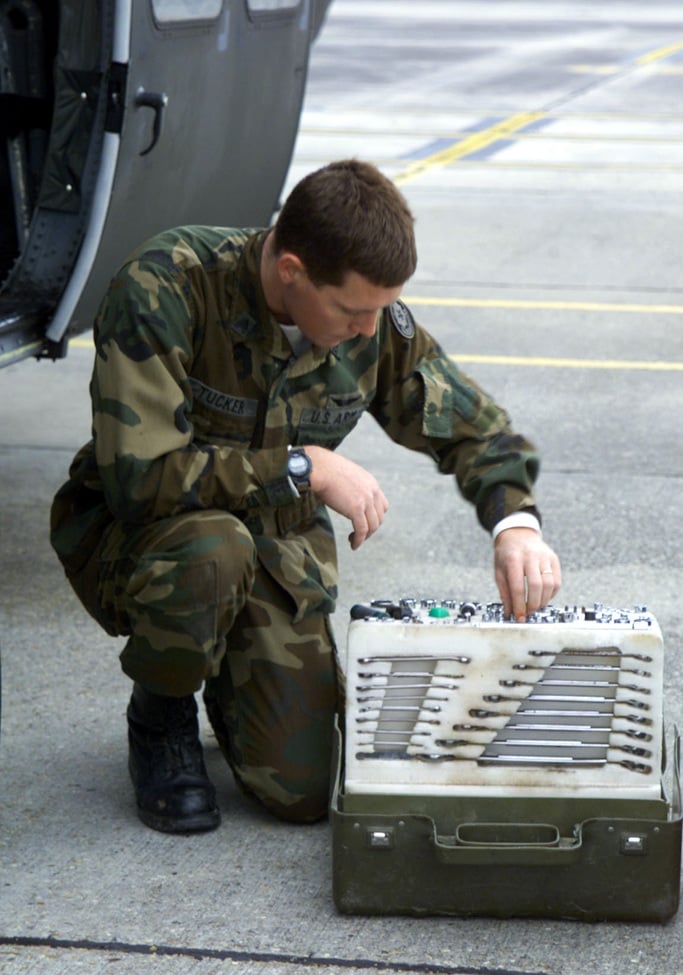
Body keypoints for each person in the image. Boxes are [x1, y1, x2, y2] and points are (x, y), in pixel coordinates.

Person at [50, 159, 562, 835]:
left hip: (273, 554)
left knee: (306, 790)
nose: (366, 330)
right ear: (290, 269)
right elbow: (139, 477)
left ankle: (233, 674)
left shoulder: (368, 321)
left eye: (380, 310)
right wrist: (300, 466)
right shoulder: (167, 283)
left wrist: (515, 525)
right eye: (352, 310)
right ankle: (161, 710)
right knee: (215, 547)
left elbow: (472, 427)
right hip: (142, 542)